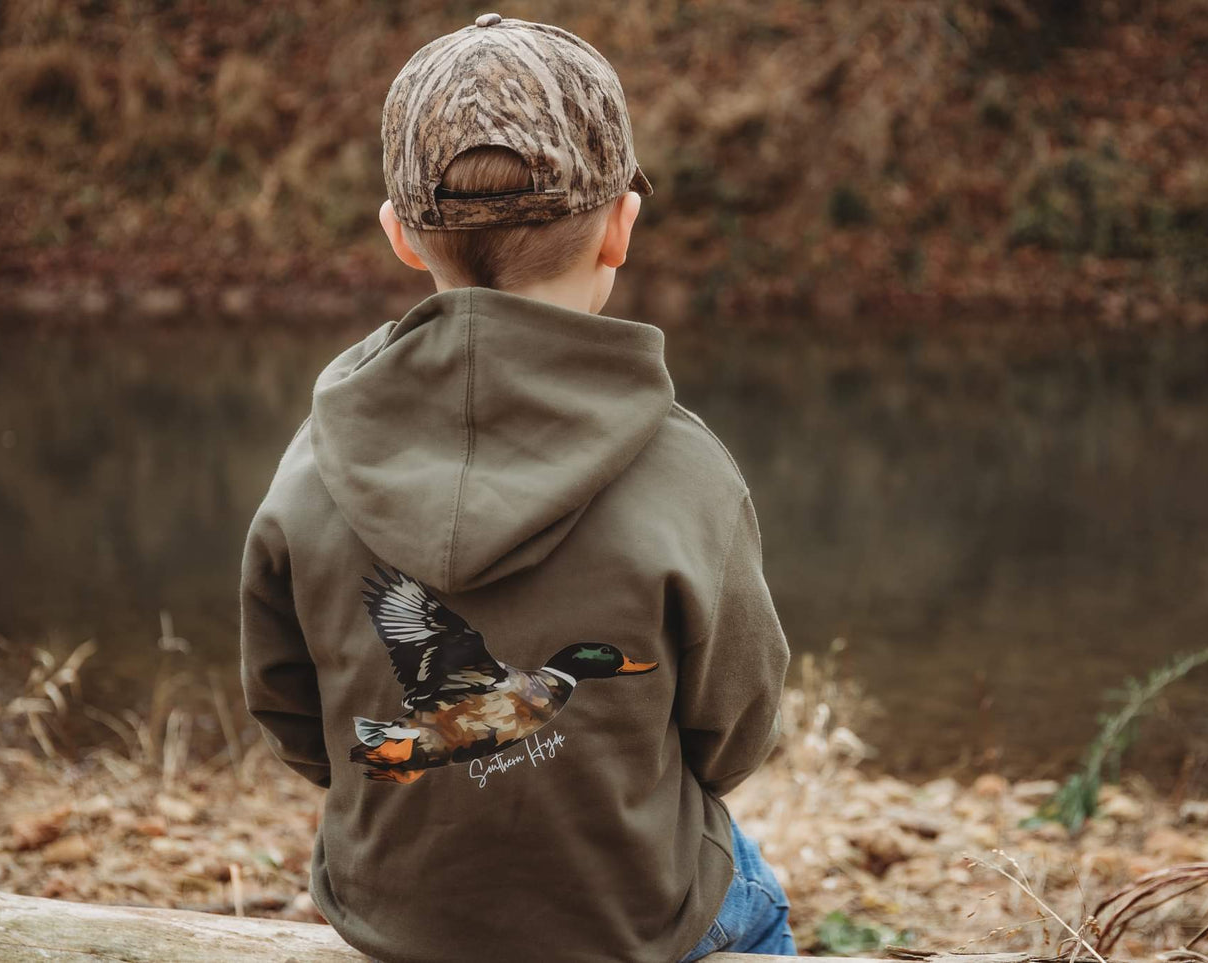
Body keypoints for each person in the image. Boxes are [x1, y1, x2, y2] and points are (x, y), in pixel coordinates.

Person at [239, 14, 793, 963]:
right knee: (756, 896)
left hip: (392, 915)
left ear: (402, 236)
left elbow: (290, 712)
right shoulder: (686, 470)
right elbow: (735, 734)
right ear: (621, 226)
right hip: (629, 921)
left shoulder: (313, 466)